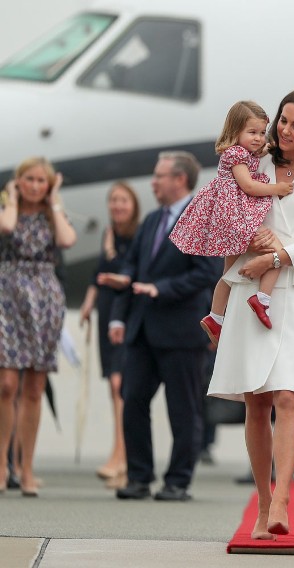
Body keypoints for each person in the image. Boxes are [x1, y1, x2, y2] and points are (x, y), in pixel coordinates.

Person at [207, 85, 294, 539]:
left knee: (288, 395)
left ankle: (283, 495)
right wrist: (251, 245)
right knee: (256, 399)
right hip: (251, 284)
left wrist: (279, 256)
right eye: (282, 121)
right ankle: (263, 504)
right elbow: (226, 214)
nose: (283, 131)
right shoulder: (251, 159)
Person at [101, 151, 222, 502]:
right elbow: (133, 271)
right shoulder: (152, 220)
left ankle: (178, 481)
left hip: (181, 332)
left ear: (180, 179)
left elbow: (206, 274)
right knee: (133, 399)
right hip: (141, 330)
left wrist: (161, 289)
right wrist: (118, 315)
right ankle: (139, 477)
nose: (153, 182)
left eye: (159, 176)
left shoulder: (200, 220)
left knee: (183, 409)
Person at [169, 101, 294, 339]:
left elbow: (265, 148)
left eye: (261, 133)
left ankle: (215, 317)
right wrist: (277, 188)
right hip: (234, 219)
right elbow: (247, 185)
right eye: (251, 133)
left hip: (231, 217)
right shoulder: (236, 154)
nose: (258, 138)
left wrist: (273, 144)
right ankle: (262, 299)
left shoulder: (248, 151)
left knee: (229, 271)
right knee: (278, 252)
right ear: (235, 131)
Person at [0, 157, 77, 496]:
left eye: (40, 181)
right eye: (28, 179)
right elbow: (6, 227)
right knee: (7, 383)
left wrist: (56, 198)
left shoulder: (53, 213)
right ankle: (2, 465)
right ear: (18, 182)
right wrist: (12, 199)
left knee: (34, 387)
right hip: (8, 296)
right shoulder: (9, 210)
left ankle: (26, 468)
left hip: (45, 299)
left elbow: (67, 239)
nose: (34, 185)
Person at [79, 181, 141, 489]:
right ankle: (119, 452)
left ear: (133, 205)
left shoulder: (136, 235)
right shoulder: (109, 233)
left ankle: (123, 454)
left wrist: (112, 259)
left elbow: (129, 274)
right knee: (114, 385)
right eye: (113, 200)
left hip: (125, 312)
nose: (117, 206)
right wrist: (88, 305)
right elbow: (97, 277)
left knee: (121, 383)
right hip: (107, 311)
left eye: (123, 200)